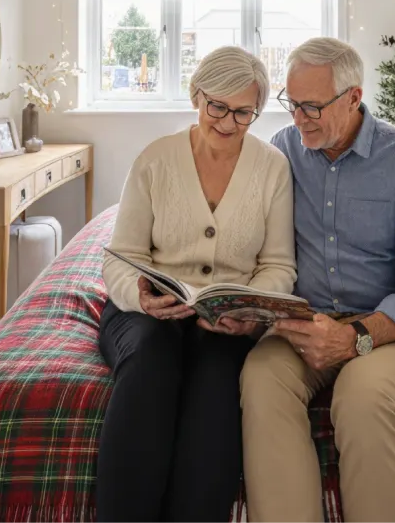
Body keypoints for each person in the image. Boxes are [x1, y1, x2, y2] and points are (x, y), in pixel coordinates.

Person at [241, 37, 395, 523]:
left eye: (313, 106)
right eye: (292, 105)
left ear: (355, 97)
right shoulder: (283, 151)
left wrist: (354, 337)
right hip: (305, 319)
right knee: (259, 379)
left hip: (387, 328)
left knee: (361, 399)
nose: (299, 119)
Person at [98, 46, 296, 523]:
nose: (228, 122)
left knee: (218, 384)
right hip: (144, 312)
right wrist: (140, 297)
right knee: (150, 362)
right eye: (218, 107)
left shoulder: (272, 168)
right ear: (196, 96)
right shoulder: (155, 160)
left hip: (225, 321)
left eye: (243, 112)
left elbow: (278, 265)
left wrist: (248, 310)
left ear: (257, 110)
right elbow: (122, 258)